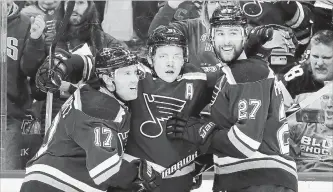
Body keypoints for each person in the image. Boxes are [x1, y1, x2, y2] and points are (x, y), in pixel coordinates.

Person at [166, 4, 298, 192]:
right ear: (210, 37)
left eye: (233, 33)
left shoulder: (246, 73)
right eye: (220, 33)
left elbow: (245, 142)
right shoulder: (237, 73)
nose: (226, 41)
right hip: (248, 180)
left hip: (259, 180)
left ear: (245, 35)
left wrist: (199, 132)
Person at [20, 47, 162, 192]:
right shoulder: (102, 108)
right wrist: (136, 175)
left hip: (48, 180)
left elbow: (89, 63)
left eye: (135, 72)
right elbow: (105, 169)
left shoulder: (93, 95)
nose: (134, 80)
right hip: (56, 184)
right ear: (108, 79)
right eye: (127, 73)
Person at [110, 25, 218, 192]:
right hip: (137, 178)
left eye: (177, 56)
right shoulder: (136, 75)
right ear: (151, 58)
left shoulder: (198, 79)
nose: (170, 62)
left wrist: (207, 133)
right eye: (163, 56)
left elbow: (231, 92)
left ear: (184, 58)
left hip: (179, 178)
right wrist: (72, 65)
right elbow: (101, 72)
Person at [30, 0, 128, 130]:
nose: (74, 8)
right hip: (54, 122)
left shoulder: (106, 42)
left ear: (90, 6)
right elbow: (35, 86)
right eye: (69, 3)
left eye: (80, 2)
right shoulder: (50, 41)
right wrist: (35, 42)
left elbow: (117, 86)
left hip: (93, 122)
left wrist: (71, 88)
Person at [3, 0, 46, 170]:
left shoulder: (26, 23)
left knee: (6, 176)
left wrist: (35, 40)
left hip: (9, 115)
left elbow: (30, 70)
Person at [277, 30, 333, 107]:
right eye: (315, 56)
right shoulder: (292, 81)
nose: (319, 63)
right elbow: (275, 116)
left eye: (326, 58)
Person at [289, 82, 333, 172]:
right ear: (320, 101)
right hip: (301, 180)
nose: (329, 104)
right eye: (325, 98)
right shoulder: (303, 128)